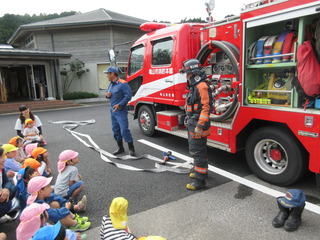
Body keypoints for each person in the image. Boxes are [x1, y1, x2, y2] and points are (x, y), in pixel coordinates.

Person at [180, 59, 213, 190]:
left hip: (198, 124)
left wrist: (199, 126)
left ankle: (200, 181)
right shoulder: (195, 86)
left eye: (188, 74)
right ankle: (200, 171)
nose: (187, 77)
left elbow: (206, 107)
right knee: (197, 151)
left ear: (195, 73)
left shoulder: (201, 86)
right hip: (194, 122)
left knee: (197, 152)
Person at [26, 176, 91, 232]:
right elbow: (56, 215)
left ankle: (73, 218)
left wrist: (65, 203)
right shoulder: (38, 206)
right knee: (59, 215)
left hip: (42, 224)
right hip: (37, 233)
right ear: (40, 191)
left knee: (55, 204)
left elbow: (55, 197)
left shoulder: (40, 196)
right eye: (48, 186)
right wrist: (66, 208)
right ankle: (75, 224)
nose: (51, 188)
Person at [104, 66, 135, 156]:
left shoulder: (123, 83)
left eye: (108, 74)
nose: (107, 76)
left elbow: (128, 96)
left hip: (121, 110)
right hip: (112, 110)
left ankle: (131, 148)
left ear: (112, 74)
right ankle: (120, 148)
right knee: (115, 130)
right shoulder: (111, 84)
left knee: (124, 129)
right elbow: (108, 94)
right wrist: (107, 95)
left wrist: (120, 105)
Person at [0, 147, 19, 222]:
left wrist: (6, 189)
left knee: (14, 188)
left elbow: (7, 182)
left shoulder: (1, 169)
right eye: (1, 157)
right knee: (6, 205)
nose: (4, 159)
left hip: (2, 197)